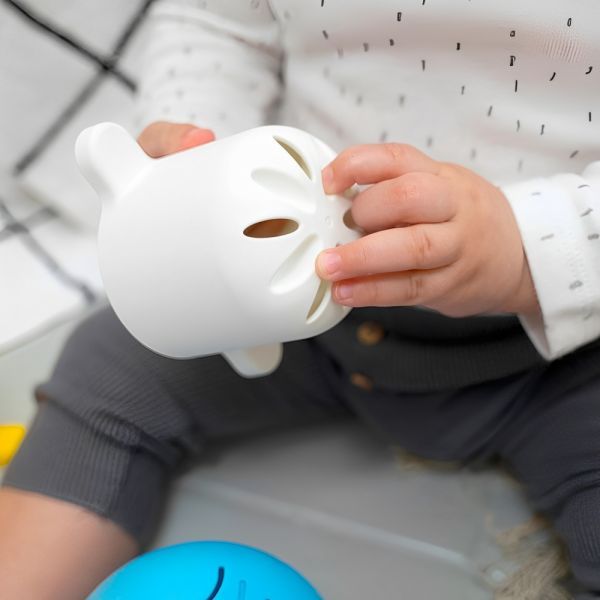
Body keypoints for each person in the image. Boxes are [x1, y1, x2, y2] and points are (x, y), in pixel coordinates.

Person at [2, 1, 600, 598]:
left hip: (562, 345)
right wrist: (196, 142)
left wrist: (529, 245)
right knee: (112, 368)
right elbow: (216, 22)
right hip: (285, 302)